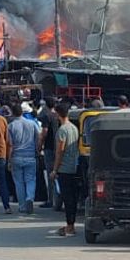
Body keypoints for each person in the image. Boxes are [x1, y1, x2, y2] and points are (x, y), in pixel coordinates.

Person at [51, 101, 80, 237]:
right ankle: (71, 224)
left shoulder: (62, 130)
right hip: (74, 166)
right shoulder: (74, 128)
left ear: (58, 114)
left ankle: (70, 226)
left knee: (67, 198)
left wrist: (55, 169)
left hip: (65, 168)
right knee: (73, 198)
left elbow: (59, 151)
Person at [7, 101, 41, 214]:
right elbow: (39, 137)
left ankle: (22, 206)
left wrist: (9, 160)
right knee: (31, 180)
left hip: (16, 156)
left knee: (19, 182)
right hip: (30, 156)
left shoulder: (11, 126)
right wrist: (37, 149)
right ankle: (30, 198)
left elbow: (10, 144)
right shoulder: (32, 124)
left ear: (12, 113)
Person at [39, 98, 60, 206]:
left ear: (46, 105)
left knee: (50, 174)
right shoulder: (58, 116)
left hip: (49, 148)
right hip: (59, 147)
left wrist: (39, 146)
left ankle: (51, 200)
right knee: (57, 174)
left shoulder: (47, 116)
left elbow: (44, 133)